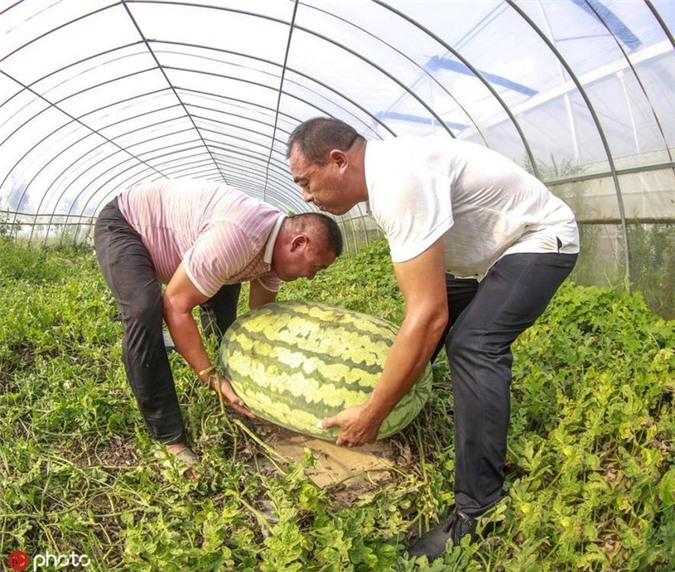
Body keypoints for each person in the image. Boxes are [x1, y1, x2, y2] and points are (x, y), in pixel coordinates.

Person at [287, 117, 579, 560]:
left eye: (307, 182)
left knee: (473, 344)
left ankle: (477, 511)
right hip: (487, 258)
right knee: (424, 333)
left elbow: (429, 315)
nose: (306, 196)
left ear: (339, 161)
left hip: (540, 239)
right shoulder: (384, 179)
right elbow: (422, 311)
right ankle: (386, 409)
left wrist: (374, 412)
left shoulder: (398, 182)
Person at [94, 178, 343, 479]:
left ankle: (227, 375)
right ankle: (168, 439)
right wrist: (211, 378)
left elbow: (259, 320)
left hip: (194, 247)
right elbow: (175, 305)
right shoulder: (239, 236)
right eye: (315, 267)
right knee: (144, 310)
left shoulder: (274, 254)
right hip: (129, 225)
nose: (313, 277)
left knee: (226, 320)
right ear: (298, 244)